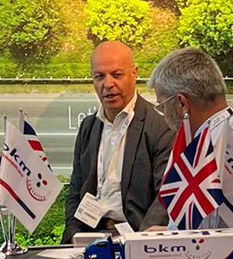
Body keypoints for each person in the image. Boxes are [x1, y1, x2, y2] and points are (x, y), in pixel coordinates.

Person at [149, 47, 233, 228]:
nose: (164, 114)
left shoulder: (218, 150)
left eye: (162, 106)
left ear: (182, 103)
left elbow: (205, 234)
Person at [62, 40, 175, 237]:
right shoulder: (88, 126)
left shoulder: (161, 126)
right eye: (99, 76)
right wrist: (73, 235)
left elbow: (166, 195)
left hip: (135, 236)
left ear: (135, 73)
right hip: (89, 235)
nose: (108, 84)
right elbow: (75, 191)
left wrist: (141, 242)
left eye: (116, 75)